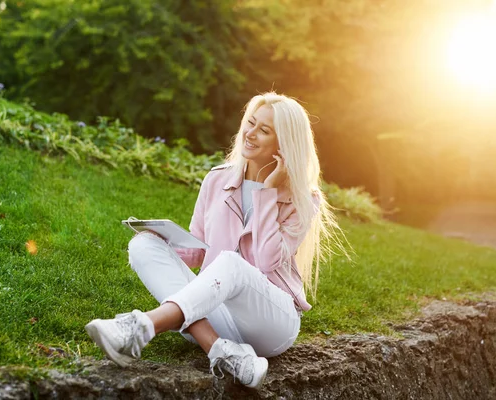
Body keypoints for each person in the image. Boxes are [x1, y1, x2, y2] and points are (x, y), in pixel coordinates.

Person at [85, 92, 341, 389]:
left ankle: (139, 328)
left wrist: (267, 193)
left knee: (230, 264)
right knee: (142, 244)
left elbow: (267, 260)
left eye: (264, 130)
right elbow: (198, 253)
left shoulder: (302, 198)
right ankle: (221, 350)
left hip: (270, 321)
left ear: (283, 144)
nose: (250, 133)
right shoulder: (217, 180)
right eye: (251, 123)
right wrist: (163, 241)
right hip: (216, 310)